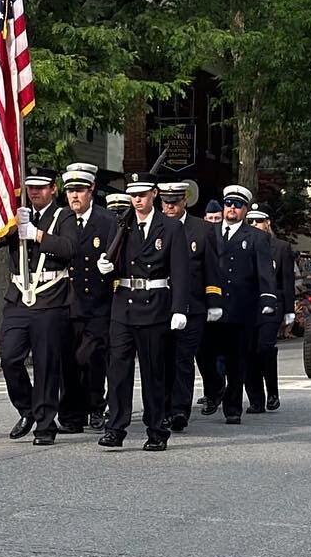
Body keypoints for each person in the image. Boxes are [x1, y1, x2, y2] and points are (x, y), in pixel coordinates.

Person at [95, 174, 191, 451]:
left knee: (153, 373)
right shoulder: (122, 224)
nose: (137, 199)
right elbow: (116, 262)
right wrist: (108, 269)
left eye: (143, 194)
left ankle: (157, 428)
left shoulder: (170, 228)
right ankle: (115, 427)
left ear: (154, 195)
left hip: (156, 305)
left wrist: (178, 308)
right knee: (118, 372)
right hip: (124, 305)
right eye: (133, 195)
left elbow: (181, 271)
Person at [0, 168, 76, 446]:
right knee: (9, 357)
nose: (35, 192)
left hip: (50, 297)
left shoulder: (63, 215)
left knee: (46, 364)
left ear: (53, 189)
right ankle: (28, 409)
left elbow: (69, 247)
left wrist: (37, 234)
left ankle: (45, 425)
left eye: (41, 187)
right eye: (31, 187)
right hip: (19, 297)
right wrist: (9, 226)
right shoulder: (18, 213)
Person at [201, 185, 278, 424]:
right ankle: (214, 388)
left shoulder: (257, 237)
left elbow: (265, 271)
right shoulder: (208, 232)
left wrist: (268, 297)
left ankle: (233, 408)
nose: (231, 209)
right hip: (210, 304)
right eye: (228, 204)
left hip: (241, 307)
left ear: (244, 210)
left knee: (236, 361)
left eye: (237, 205)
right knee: (204, 353)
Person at [57, 162, 119, 433]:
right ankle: (72, 415)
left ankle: (95, 407)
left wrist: (112, 267)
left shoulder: (107, 221)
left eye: (80, 190)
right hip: (65, 302)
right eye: (70, 190)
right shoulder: (60, 219)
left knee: (92, 359)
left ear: (91, 190)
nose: (74, 196)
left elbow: (120, 257)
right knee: (67, 360)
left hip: (97, 302)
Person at [157, 179, 222, 434]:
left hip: (192, 306)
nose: (170, 207)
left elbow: (211, 268)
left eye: (174, 202)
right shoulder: (155, 226)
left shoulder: (201, 229)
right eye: (166, 203)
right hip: (161, 305)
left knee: (183, 359)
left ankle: (179, 410)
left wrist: (214, 302)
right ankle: (163, 408)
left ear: (185, 201)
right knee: (163, 359)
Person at [246, 209, 296, 411]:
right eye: (250, 221)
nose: (254, 224)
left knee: (264, 348)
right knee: (249, 352)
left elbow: (287, 280)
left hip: (272, 305)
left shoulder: (281, 247)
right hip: (248, 306)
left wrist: (289, 310)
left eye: (258, 220)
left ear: (267, 222)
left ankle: (272, 392)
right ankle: (256, 399)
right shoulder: (242, 244)